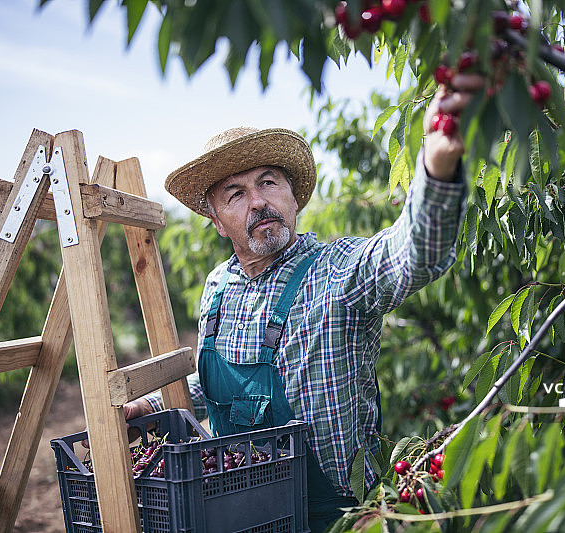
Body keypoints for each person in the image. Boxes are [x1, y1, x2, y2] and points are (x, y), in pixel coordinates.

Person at [125, 72, 485, 531]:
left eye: (268, 182)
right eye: (236, 194)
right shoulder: (217, 287)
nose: (258, 202)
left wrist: (437, 169)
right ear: (217, 221)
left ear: (293, 197)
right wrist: (152, 406)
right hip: (235, 513)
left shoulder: (337, 273)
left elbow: (412, 254)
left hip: (333, 519)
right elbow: (216, 388)